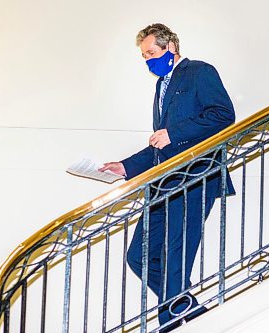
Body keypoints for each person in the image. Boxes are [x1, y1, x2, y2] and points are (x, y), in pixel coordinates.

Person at [99, 23, 235, 330]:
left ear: (170, 46)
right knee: (139, 257)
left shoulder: (199, 72)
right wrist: (125, 166)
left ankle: (168, 323)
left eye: (151, 52)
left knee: (175, 255)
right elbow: (160, 146)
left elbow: (223, 115)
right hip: (165, 181)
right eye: (144, 56)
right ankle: (189, 307)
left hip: (194, 177)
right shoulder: (161, 86)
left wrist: (173, 133)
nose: (148, 60)